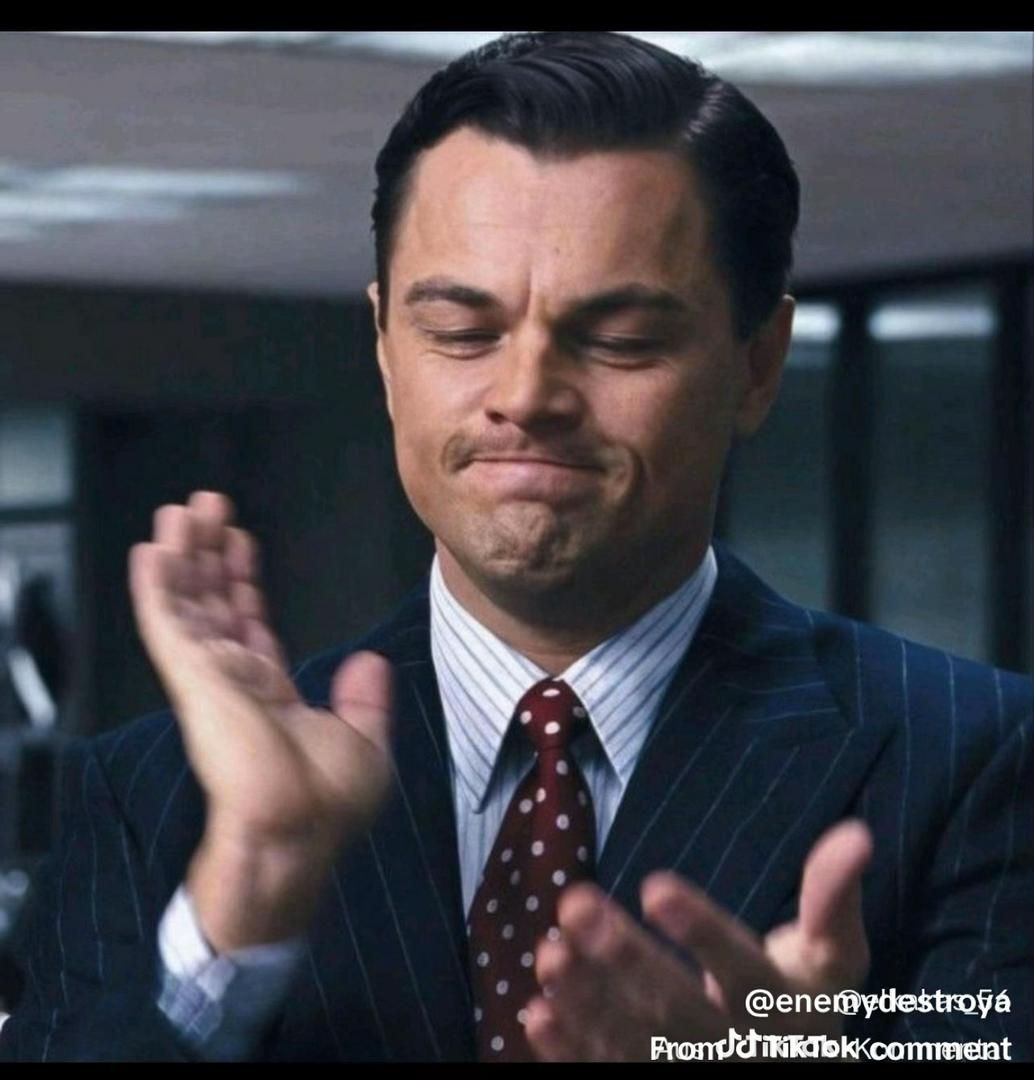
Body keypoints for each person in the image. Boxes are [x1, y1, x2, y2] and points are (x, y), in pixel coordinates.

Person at [0, 30, 1030, 1063]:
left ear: (757, 364)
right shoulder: (149, 797)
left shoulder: (976, 764)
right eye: (461, 331)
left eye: (620, 340)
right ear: (385, 349)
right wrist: (252, 885)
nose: (527, 396)